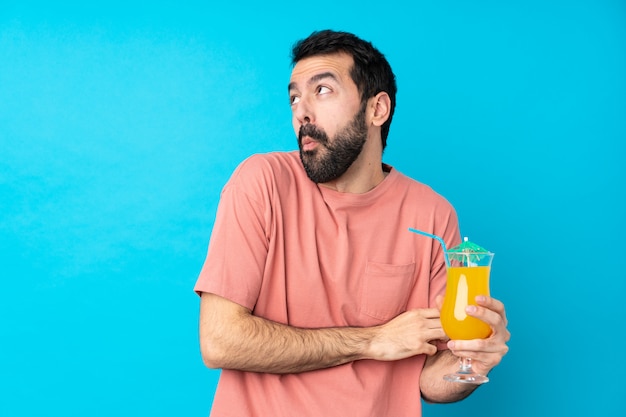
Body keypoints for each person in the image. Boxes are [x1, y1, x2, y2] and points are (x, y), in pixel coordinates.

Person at [194, 29, 510, 417]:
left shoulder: (432, 214)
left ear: (377, 109)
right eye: (294, 97)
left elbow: (429, 381)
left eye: (322, 91)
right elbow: (220, 341)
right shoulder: (261, 182)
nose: (301, 111)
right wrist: (372, 341)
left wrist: (473, 362)